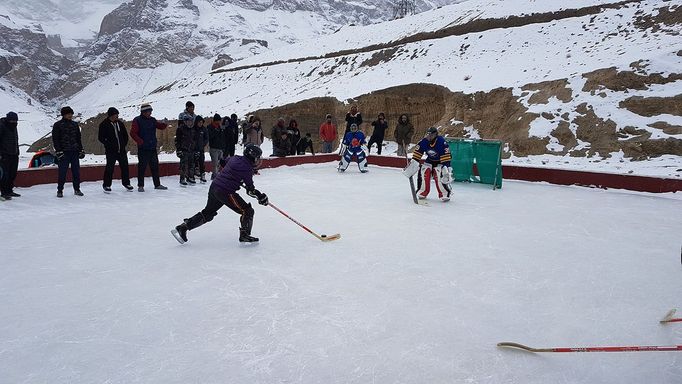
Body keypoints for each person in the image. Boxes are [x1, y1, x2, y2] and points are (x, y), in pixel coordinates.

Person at [171, 144, 268, 244]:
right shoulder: (247, 168)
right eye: (257, 158)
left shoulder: (235, 158)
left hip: (215, 187)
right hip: (226, 192)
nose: (257, 160)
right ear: (252, 157)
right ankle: (245, 235)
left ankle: (183, 227)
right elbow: (250, 191)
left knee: (208, 213)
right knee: (247, 211)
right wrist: (261, 197)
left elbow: (223, 162)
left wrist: (234, 173)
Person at [405, 127, 452, 202]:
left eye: (431, 134)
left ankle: (444, 193)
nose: (429, 136)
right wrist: (412, 164)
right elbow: (417, 155)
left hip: (440, 161)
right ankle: (422, 191)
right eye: (428, 134)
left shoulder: (441, 142)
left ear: (436, 135)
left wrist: (446, 168)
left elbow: (446, 157)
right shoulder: (423, 141)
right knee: (424, 171)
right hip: (430, 160)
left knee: (439, 173)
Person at [130, 103, 169, 192]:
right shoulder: (137, 120)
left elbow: (160, 126)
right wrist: (140, 141)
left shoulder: (152, 120)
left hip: (152, 148)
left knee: (155, 167)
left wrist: (165, 124)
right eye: (148, 111)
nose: (150, 113)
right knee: (142, 167)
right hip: (143, 148)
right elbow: (133, 133)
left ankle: (157, 184)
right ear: (143, 112)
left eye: (151, 111)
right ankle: (140, 185)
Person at [98, 107, 133, 192]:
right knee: (110, 168)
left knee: (125, 167)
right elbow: (101, 137)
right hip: (111, 151)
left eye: (117, 115)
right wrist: (108, 144)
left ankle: (126, 183)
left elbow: (125, 135)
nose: (116, 117)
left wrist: (123, 144)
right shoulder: (104, 124)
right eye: (114, 115)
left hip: (121, 150)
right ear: (110, 115)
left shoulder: (120, 123)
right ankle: (106, 185)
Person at [52, 106, 85, 198]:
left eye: (71, 113)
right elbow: (55, 139)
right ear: (64, 115)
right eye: (68, 114)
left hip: (74, 151)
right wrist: (59, 151)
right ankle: (60, 190)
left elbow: (78, 139)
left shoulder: (75, 125)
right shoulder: (57, 125)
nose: (70, 115)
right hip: (64, 153)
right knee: (62, 172)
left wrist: (81, 150)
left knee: (76, 172)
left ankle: (77, 189)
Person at [0, 112, 20, 200]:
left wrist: (17, 151)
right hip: (4, 155)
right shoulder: (2, 126)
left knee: (13, 173)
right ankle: (4, 192)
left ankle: (9, 190)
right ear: (8, 120)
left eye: (15, 120)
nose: (14, 122)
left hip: (14, 154)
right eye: (12, 120)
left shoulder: (14, 127)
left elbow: (16, 139)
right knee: (5, 174)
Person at [175, 113, 195, 185]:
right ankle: (182, 178)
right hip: (184, 150)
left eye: (191, 121)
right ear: (185, 121)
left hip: (191, 149)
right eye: (188, 121)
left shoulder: (192, 129)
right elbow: (177, 140)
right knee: (183, 165)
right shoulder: (180, 129)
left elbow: (194, 139)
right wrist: (179, 150)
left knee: (191, 165)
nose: (190, 123)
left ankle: (190, 177)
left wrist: (194, 148)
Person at [208, 114, 226, 180]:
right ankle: (214, 175)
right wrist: (215, 131)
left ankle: (217, 174)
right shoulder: (210, 127)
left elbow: (222, 137)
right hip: (213, 148)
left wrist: (223, 146)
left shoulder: (220, 127)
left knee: (219, 162)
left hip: (220, 147)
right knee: (214, 163)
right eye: (218, 121)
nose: (219, 122)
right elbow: (210, 136)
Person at [193, 116, 208, 183]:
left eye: (202, 122)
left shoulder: (204, 129)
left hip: (201, 149)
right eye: (199, 122)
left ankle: (202, 175)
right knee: (193, 162)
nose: (200, 124)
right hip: (193, 149)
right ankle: (192, 175)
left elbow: (206, 138)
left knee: (202, 162)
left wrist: (203, 144)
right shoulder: (193, 129)